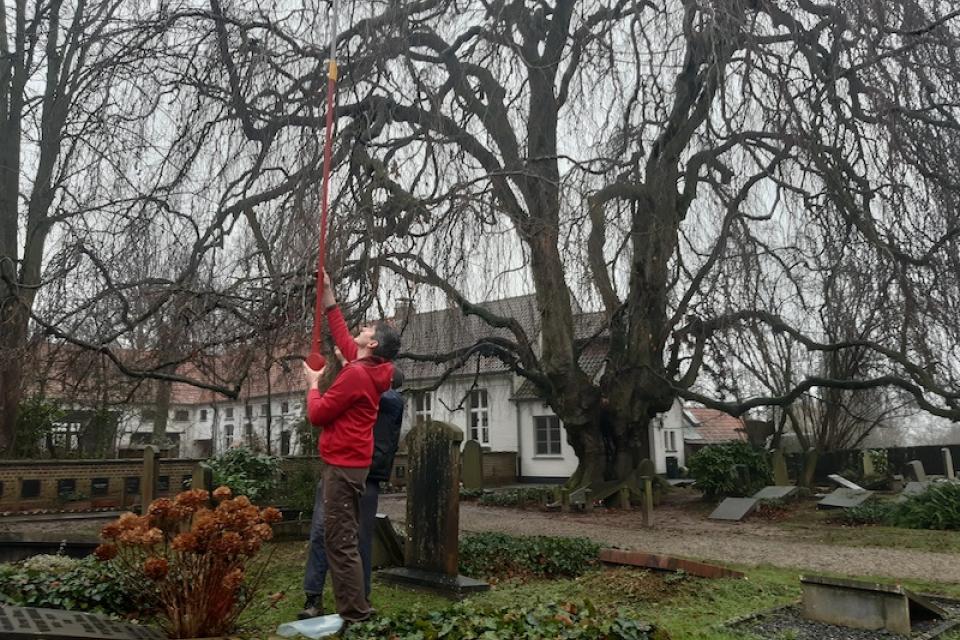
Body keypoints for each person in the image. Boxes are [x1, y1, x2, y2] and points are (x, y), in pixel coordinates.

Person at [300, 271, 400, 625]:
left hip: (342, 467)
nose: (365, 328)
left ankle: (356, 615)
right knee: (342, 539)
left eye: (370, 328)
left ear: (372, 344)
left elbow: (318, 414)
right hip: (350, 464)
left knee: (339, 543)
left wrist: (313, 384)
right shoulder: (367, 369)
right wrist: (328, 296)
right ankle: (358, 609)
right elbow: (343, 336)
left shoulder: (356, 375)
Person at [299, 365, 405, 619]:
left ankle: (360, 599)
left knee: (358, 540)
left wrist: (349, 367)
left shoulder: (391, 400)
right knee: (322, 532)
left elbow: (359, 387)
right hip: (340, 470)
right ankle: (313, 597)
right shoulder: (361, 388)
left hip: (365, 477)